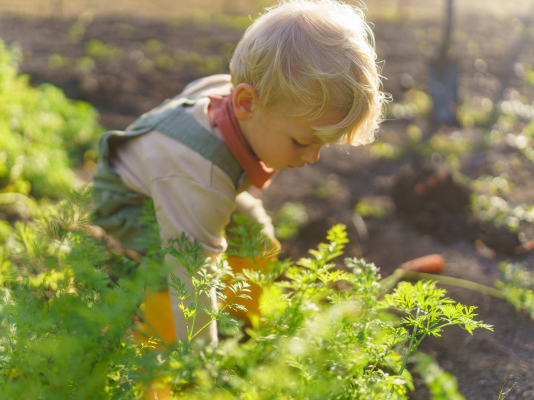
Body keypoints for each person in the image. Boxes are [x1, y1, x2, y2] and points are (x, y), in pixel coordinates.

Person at [93, 0, 386, 348]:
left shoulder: (239, 100)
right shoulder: (197, 179)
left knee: (253, 232)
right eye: (302, 142)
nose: (313, 157)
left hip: (181, 178)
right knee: (170, 267)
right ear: (246, 103)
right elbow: (191, 276)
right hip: (129, 198)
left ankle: (244, 318)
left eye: (323, 144)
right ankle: (160, 362)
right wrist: (205, 365)